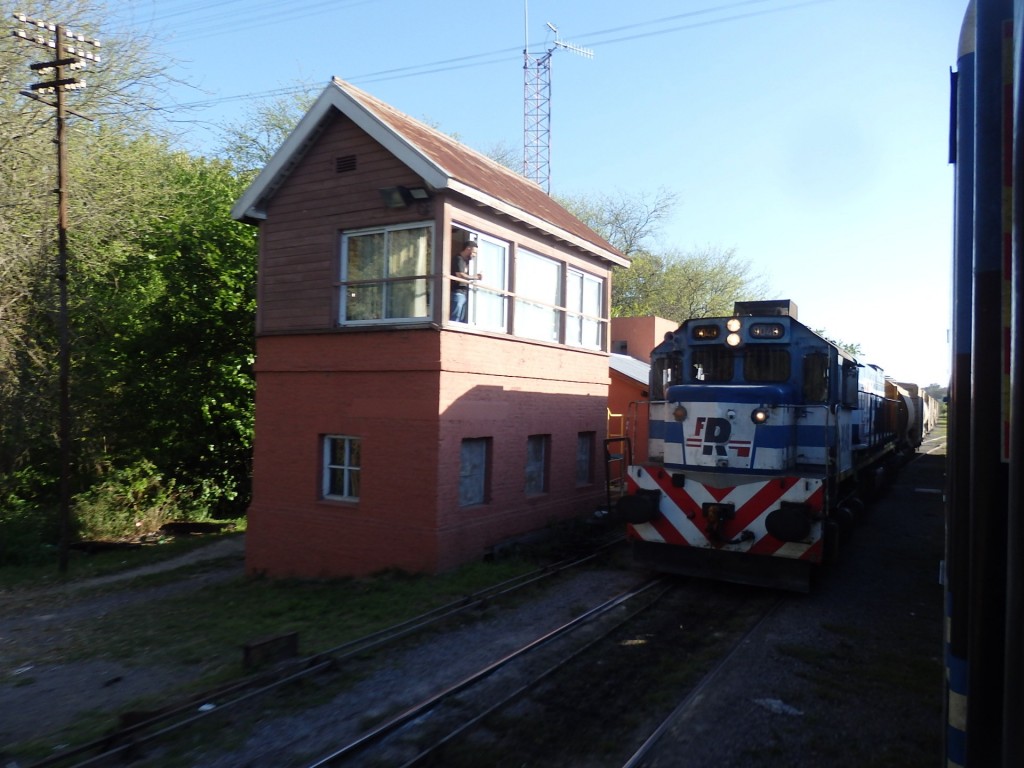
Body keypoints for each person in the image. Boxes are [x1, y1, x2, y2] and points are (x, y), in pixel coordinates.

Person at [449, 241, 481, 322]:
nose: (474, 255)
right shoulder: (458, 259)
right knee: (455, 316)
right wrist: (476, 277)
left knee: (460, 317)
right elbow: (460, 275)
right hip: (457, 292)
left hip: (463, 292)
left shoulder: (465, 261)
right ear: (468, 249)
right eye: (474, 252)